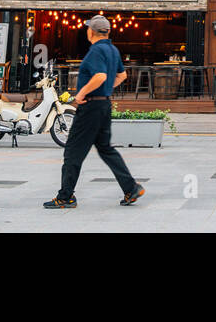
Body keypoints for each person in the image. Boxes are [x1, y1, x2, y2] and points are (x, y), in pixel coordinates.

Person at [45, 14, 143, 209]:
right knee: (106, 149)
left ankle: (65, 197)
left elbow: (99, 76)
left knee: (73, 151)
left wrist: (80, 94)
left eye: (88, 28)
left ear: (92, 31)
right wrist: (106, 89)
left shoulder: (96, 51)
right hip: (103, 105)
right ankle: (131, 188)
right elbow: (122, 75)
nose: (86, 31)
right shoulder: (113, 50)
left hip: (90, 107)